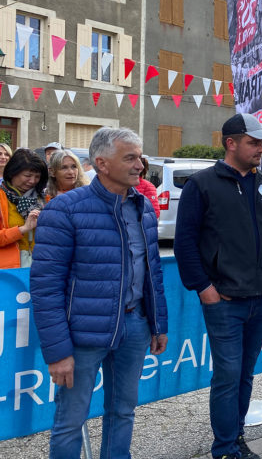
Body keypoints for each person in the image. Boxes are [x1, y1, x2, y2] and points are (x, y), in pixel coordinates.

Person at [30, 127, 168, 458]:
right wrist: (58, 352)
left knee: (123, 412)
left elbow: (152, 272)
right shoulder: (64, 209)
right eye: (130, 157)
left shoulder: (144, 208)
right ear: (102, 163)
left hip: (135, 327)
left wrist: (158, 323)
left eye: (140, 157)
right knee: (69, 421)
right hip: (82, 336)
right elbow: (46, 286)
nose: (140, 165)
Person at [174, 113, 262, 459]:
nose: (261, 148)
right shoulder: (201, 185)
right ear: (231, 143)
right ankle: (224, 449)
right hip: (224, 300)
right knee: (227, 376)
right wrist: (205, 289)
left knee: (245, 374)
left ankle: (236, 439)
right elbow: (184, 243)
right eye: (253, 142)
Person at [0, 148, 47, 268]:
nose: (32, 181)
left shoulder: (44, 198)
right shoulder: (2, 197)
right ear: (12, 173)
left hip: (40, 264)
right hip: (8, 270)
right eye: (27, 175)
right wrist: (22, 229)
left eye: (37, 176)